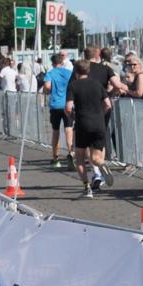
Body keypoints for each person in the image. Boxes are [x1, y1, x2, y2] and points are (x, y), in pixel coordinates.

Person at [66, 59, 112, 198]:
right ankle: (102, 164)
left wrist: (73, 116)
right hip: (98, 123)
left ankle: (87, 188)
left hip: (82, 124)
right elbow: (108, 105)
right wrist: (100, 115)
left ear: (75, 71)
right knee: (95, 157)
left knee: (79, 158)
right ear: (88, 71)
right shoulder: (97, 84)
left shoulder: (73, 86)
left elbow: (68, 107)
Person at [44, 53, 75, 170]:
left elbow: (47, 87)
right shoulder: (69, 73)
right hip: (67, 104)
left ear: (52, 63)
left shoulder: (50, 73)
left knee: (55, 131)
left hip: (55, 105)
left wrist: (50, 91)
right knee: (69, 130)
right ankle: (71, 154)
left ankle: (55, 158)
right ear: (62, 62)